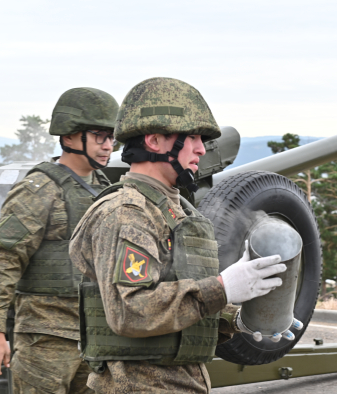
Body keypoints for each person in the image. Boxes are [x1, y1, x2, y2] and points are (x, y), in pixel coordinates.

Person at [69, 77, 301, 393]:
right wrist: (222, 287)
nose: (201, 149)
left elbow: (179, 302)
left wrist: (237, 318)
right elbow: (131, 311)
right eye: (191, 137)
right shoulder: (126, 212)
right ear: (154, 141)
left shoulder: (177, 211)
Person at [0, 87, 119, 393]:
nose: (108, 145)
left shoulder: (108, 190)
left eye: (111, 137)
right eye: (98, 135)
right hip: (45, 339)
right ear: (68, 137)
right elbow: (4, 257)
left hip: (97, 338)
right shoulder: (39, 188)